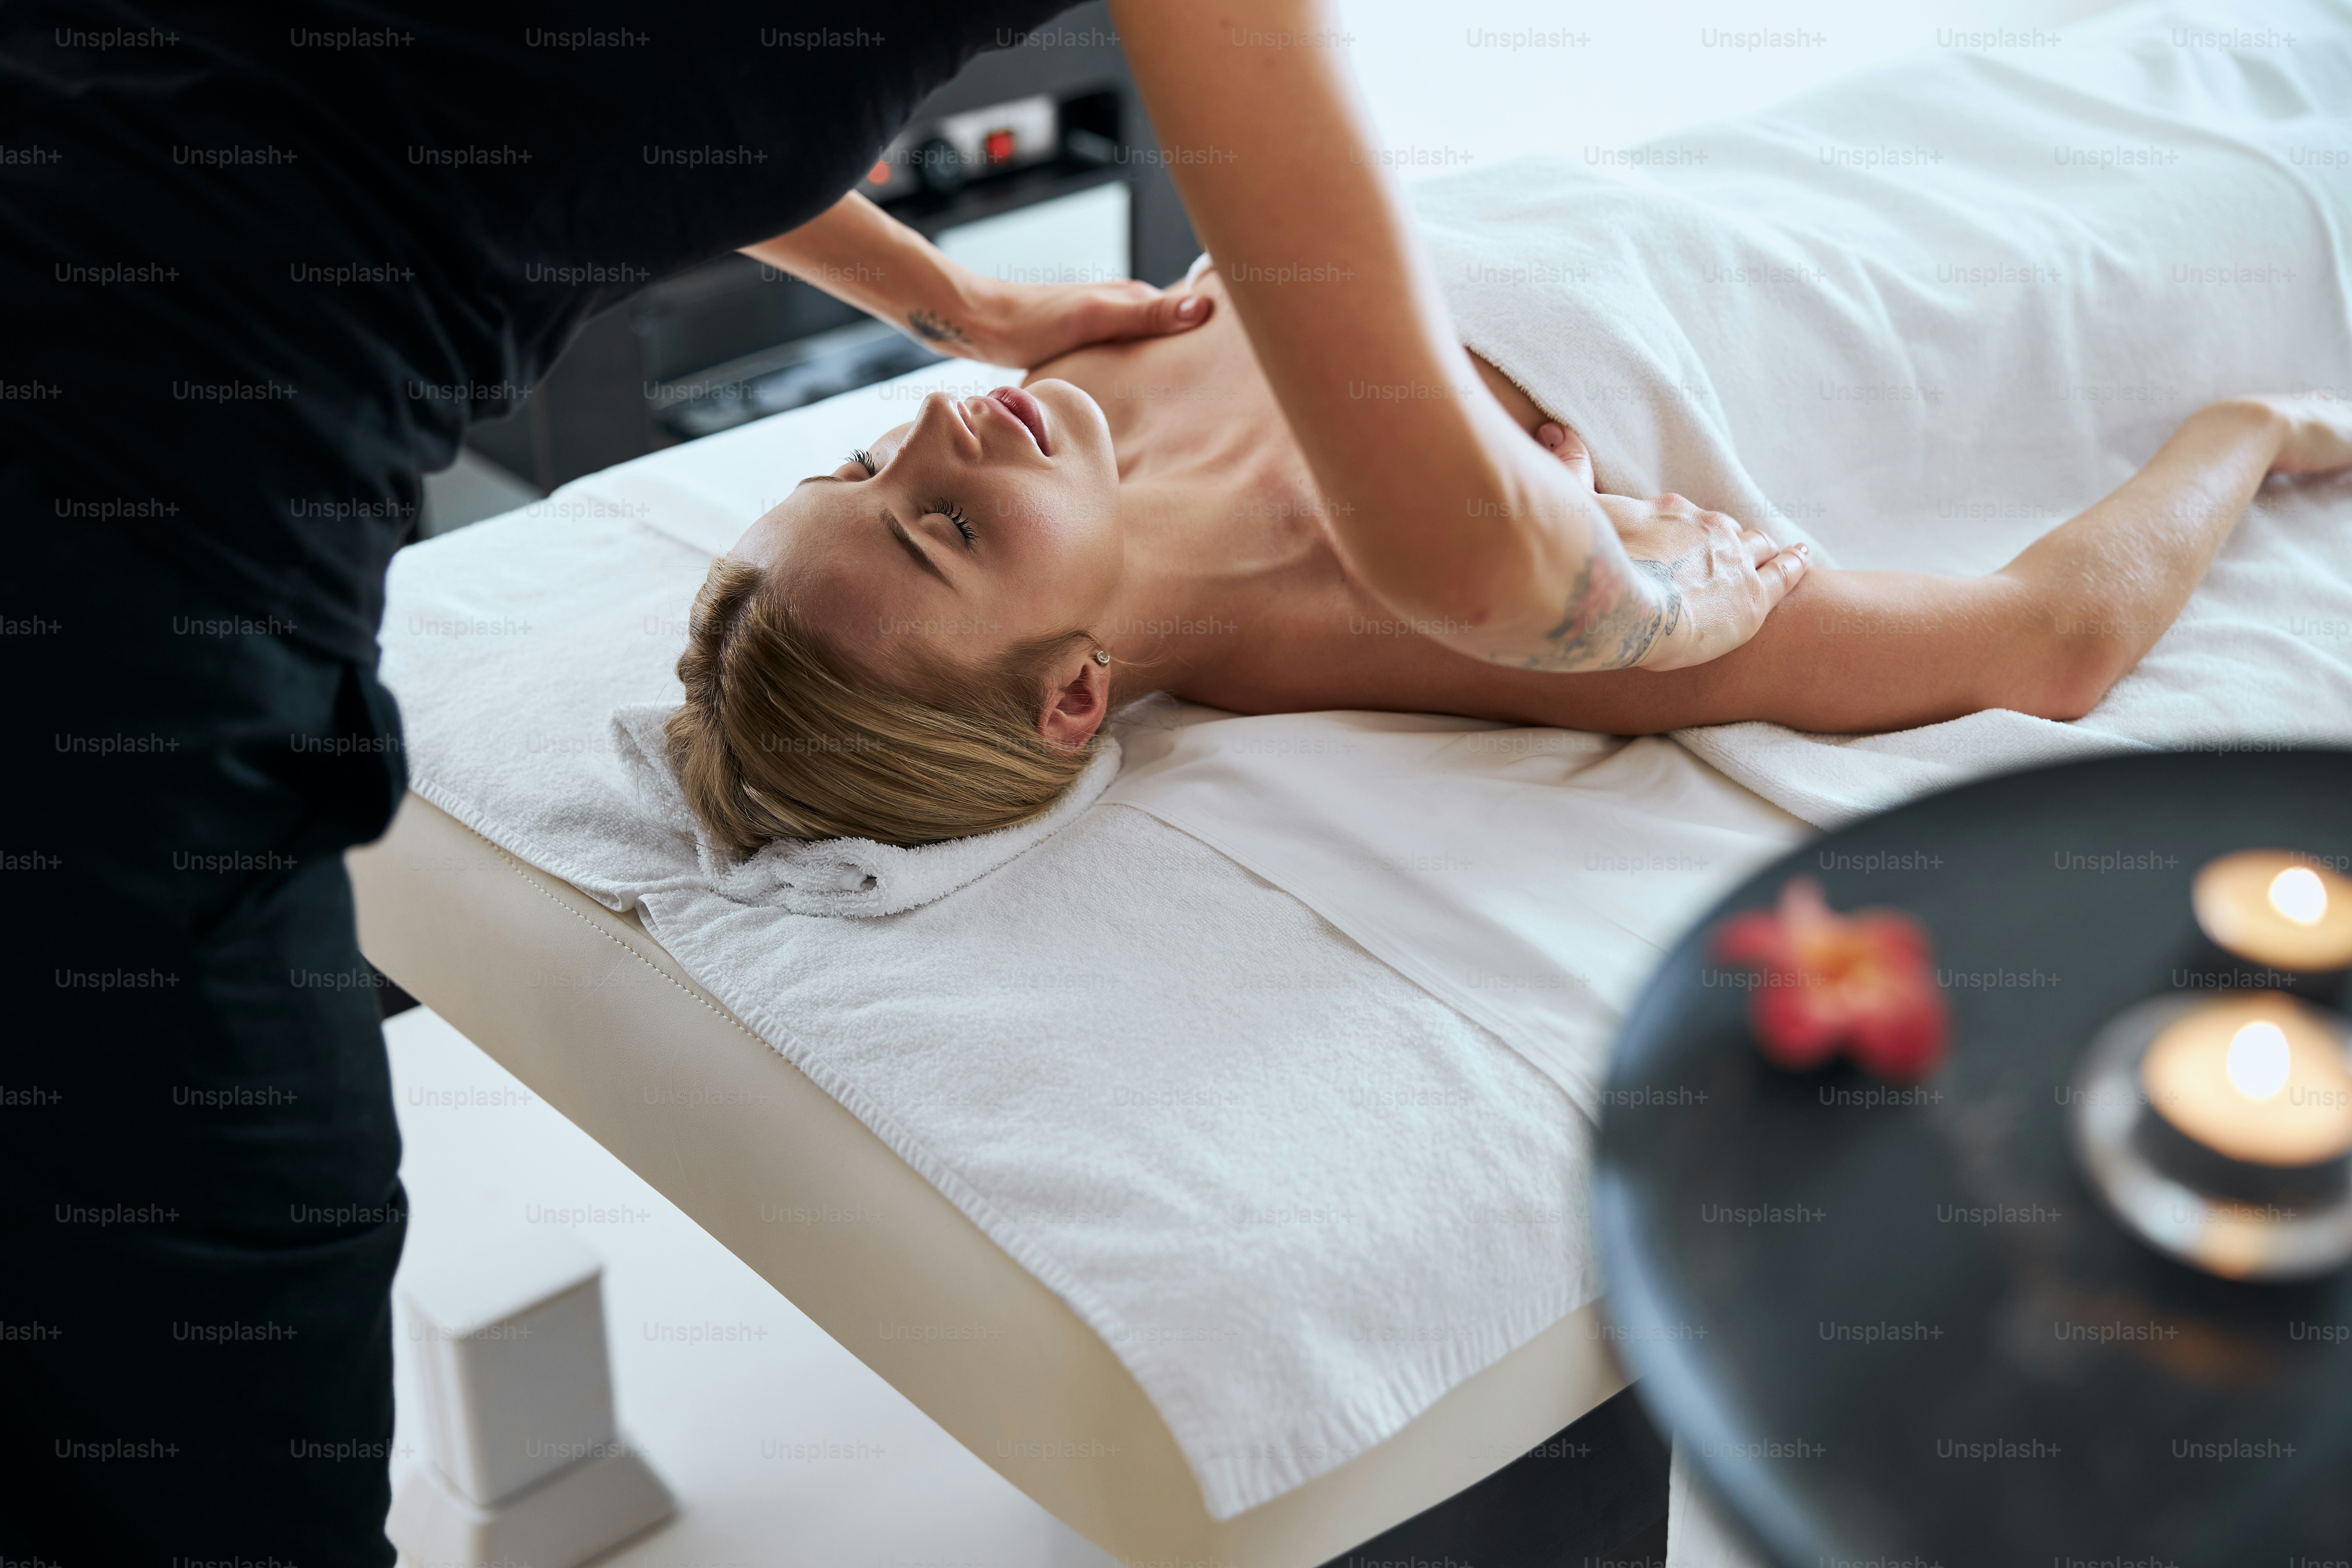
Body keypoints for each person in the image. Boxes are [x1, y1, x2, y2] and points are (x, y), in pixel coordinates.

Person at [0, 4, 1218, 1560]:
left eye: (907, 500)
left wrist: (947, 297)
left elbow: (624, 112)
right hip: (120, 523)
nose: (926, 424)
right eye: (880, 486)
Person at [667, 252, 2352, 849]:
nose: (952, 426)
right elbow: (2036, 646)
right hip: (1927, 290)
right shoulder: (1448, 615)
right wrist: (2253, 430)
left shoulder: (1069, 373)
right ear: (1073, 701)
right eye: (948, 533)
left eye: (869, 456)